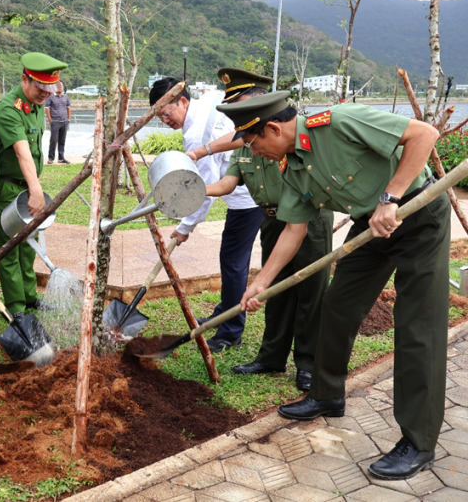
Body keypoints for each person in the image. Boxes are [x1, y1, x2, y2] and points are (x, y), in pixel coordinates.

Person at [219, 91, 446, 481]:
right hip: (369, 228)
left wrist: (391, 197)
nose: (255, 154)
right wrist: (261, 282)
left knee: (417, 327)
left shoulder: (338, 122)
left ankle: (419, 442)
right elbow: (294, 228)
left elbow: (424, 134)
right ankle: (327, 394)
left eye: (255, 144)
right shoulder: (292, 168)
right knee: (335, 305)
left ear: (273, 128)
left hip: (418, 214)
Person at [196, 70, 333, 390]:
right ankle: (271, 357)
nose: (238, 119)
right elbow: (230, 181)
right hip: (272, 220)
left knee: (310, 291)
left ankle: (308, 364)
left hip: (309, 219)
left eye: (241, 106)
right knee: (275, 289)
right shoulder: (247, 143)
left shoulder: (282, 136)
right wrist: (199, 189)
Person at [149, 77, 263, 353]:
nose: (166, 120)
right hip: (246, 192)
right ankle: (223, 313)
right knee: (231, 261)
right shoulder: (209, 101)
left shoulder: (197, 133)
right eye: (160, 117)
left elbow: (203, 190)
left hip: (248, 200)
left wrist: (185, 227)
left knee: (233, 263)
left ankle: (230, 331)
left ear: (183, 101)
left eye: (167, 113)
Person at [0, 52, 67, 315]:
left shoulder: (34, 106)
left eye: (49, 90)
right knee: (9, 248)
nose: (45, 95)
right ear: (24, 79)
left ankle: (30, 296)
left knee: (29, 245)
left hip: (26, 185)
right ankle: (15, 307)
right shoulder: (9, 109)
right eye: (40, 88)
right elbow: (22, 152)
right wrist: (36, 191)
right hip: (6, 187)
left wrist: (33, 187)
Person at [44, 81, 71, 164]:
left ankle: (61, 158)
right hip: (55, 122)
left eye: (61, 85)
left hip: (64, 121)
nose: (60, 87)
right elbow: (46, 108)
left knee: (62, 140)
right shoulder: (50, 97)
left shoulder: (65, 97)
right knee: (53, 140)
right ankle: (51, 158)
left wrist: (68, 119)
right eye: (58, 86)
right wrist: (50, 120)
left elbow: (68, 107)